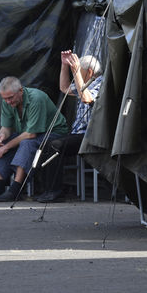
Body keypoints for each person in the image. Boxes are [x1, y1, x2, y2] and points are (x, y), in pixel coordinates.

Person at [0, 76, 70, 202]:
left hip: (53, 133)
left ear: (21, 91)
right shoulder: (7, 101)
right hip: (28, 134)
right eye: (5, 98)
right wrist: (2, 136)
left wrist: (7, 147)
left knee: (27, 144)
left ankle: (16, 189)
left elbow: (31, 134)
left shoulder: (36, 98)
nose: (8, 102)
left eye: (10, 98)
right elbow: (6, 127)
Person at [36, 51, 102, 203]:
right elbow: (64, 88)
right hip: (78, 134)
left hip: (91, 135)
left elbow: (87, 99)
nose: (75, 75)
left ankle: (55, 192)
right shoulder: (85, 81)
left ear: (90, 72)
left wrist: (77, 71)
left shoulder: (101, 83)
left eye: (79, 72)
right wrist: (64, 65)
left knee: (54, 146)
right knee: (46, 143)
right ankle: (47, 189)